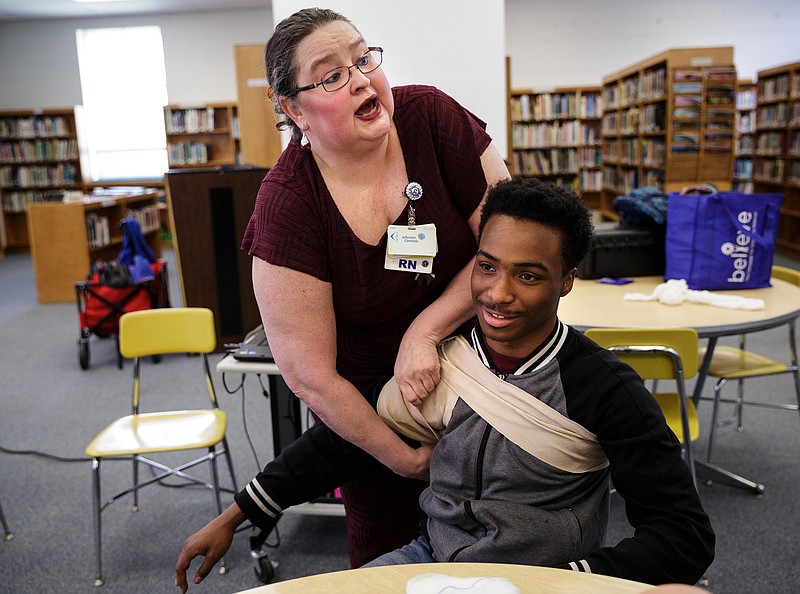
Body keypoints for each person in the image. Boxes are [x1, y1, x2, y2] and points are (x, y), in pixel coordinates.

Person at [175, 178, 714, 591]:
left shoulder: (604, 390)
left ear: (566, 281)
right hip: (430, 560)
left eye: (527, 275)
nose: (497, 294)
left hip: (542, 578)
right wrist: (237, 515)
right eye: (487, 266)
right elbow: (344, 440)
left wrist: (576, 577)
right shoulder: (444, 362)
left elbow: (684, 535)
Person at [177, 4, 510, 583]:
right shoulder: (288, 208)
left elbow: (510, 244)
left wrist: (423, 331)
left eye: (362, 59)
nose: (359, 78)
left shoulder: (430, 116)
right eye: (330, 75)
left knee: (515, 567)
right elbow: (310, 378)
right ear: (292, 108)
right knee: (391, 575)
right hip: (383, 425)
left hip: (497, 392)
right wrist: (403, 460)